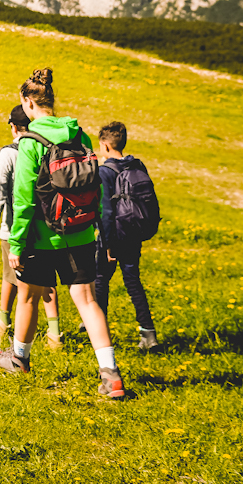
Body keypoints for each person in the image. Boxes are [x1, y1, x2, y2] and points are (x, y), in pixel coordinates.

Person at [0, 68, 128, 400]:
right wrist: (96, 226)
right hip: (80, 232)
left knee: (28, 296)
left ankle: (19, 358)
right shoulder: (80, 136)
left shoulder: (30, 142)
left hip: (41, 237)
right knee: (87, 301)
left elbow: (23, 198)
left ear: (27, 103)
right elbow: (94, 185)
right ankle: (111, 375)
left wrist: (16, 243)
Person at [0, 105, 64, 349]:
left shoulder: (9, 153)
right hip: (46, 227)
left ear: (13, 127)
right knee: (47, 280)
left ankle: (3, 323)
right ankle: (55, 335)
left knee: (11, 276)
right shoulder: (48, 147)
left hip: (15, 227)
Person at [94, 121, 160, 351]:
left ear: (105, 145)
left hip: (114, 235)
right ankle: (148, 333)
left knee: (100, 279)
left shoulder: (105, 172)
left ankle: (98, 329)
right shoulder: (137, 165)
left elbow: (106, 211)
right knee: (133, 281)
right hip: (133, 232)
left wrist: (107, 243)